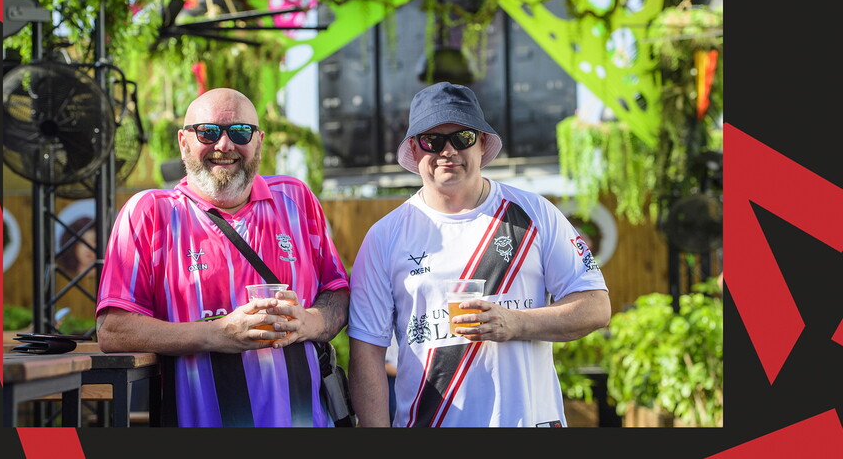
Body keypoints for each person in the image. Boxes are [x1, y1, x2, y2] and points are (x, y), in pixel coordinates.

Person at [347, 81, 611, 427]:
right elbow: (366, 353)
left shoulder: (534, 213)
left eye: (463, 137)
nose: (448, 151)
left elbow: (596, 306)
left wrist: (516, 323)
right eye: (433, 140)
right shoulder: (384, 236)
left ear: (482, 143)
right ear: (414, 149)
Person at [96, 88, 350, 427]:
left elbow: (338, 290)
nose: (224, 145)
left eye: (240, 132)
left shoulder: (296, 199)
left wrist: (309, 322)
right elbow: (113, 330)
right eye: (208, 131)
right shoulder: (149, 213)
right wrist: (217, 333)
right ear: (183, 141)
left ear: (259, 141)